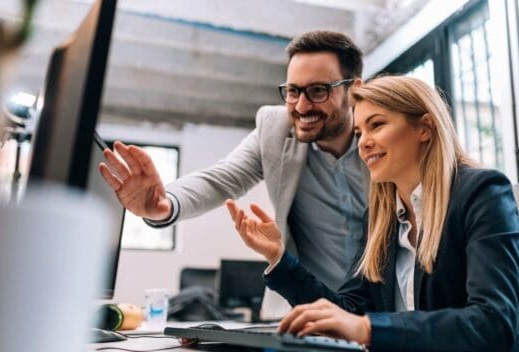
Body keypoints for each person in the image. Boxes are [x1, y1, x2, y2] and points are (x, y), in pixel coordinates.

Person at [225, 75, 519, 351]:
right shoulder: (381, 219)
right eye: (360, 132)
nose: (364, 143)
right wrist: (279, 258)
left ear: (424, 127)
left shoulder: (483, 193)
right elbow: (347, 311)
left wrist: (367, 329)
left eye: (377, 125)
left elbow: (495, 323)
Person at [98, 30, 369, 317]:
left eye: (318, 91)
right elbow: (221, 178)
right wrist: (164, 204)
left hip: (384, 311)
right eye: (292, 91)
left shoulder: (385, 136)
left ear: (354, 90)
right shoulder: (275, 130)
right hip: (307, 311)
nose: (301, 106)